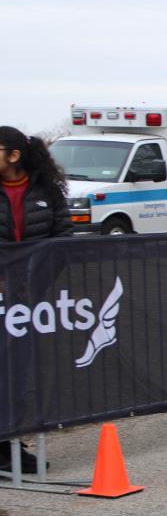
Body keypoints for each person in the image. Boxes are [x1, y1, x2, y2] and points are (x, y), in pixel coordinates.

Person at [0, 126, 73, 474]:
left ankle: (10, 443)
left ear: (14, 155)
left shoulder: (46, 190)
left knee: (18, 372)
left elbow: (63, 239)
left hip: (29, 301)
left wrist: (36, 282)